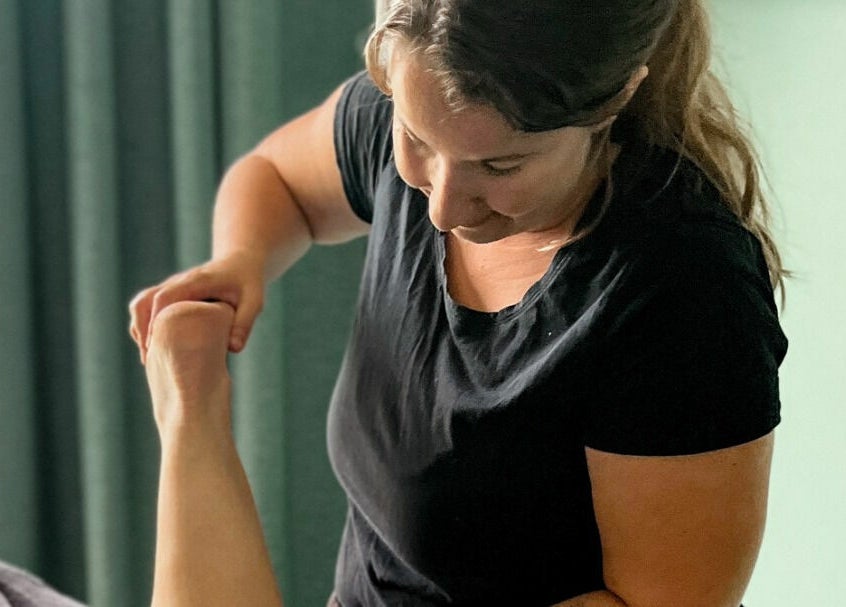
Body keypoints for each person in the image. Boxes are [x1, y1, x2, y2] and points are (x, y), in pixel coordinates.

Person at [129, 0, 788, 605]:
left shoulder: (685, 292)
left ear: (616, 98)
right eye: (416, 139)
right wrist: (238, 262)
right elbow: (276, 177)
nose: (442, 207)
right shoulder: (420, 107)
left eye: (499, 167)